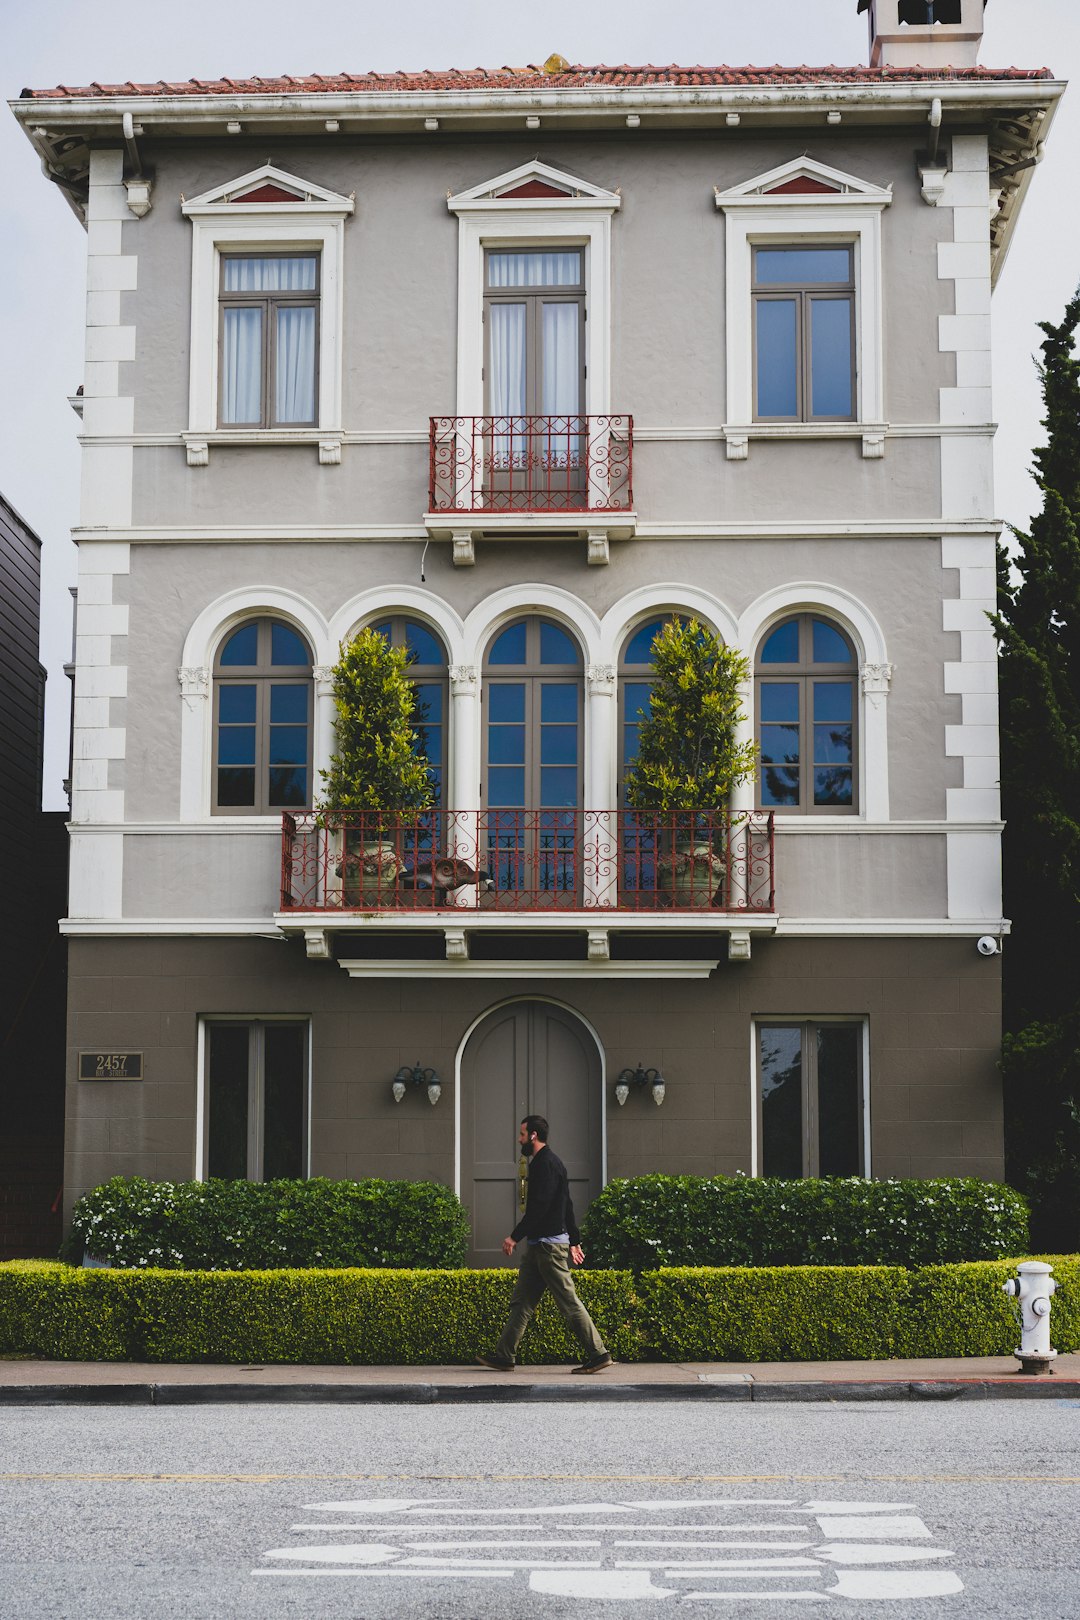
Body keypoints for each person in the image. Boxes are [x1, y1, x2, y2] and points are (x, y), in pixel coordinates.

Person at [476, 1114, 612, 1375]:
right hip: (540, 1247)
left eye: (522, 1134)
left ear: (533, 1136)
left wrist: (514, 1236)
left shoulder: (546, 1164)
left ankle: (598, 1354)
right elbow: (567, 1205)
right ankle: (505, 1356)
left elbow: (540, 1207)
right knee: (522, 1302)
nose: (520, 1139)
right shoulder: (545, 1163)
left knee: (568, 1301)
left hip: (549, 1248)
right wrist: (575, 1240)